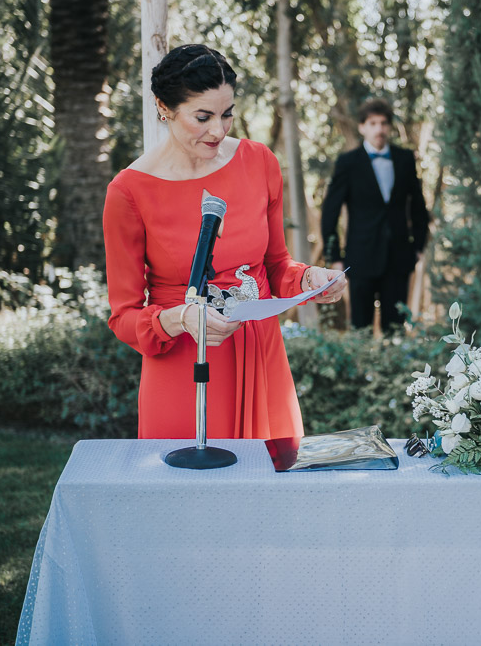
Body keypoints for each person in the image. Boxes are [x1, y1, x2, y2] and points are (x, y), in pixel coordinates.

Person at [103, 44, 346, 439]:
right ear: (164, 107)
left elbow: (276, 265)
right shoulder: (129, 191)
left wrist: (309, 279)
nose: (218, 130)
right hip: (185, 366)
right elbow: (123, 316)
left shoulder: (260, 162)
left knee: (271, 490)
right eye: (203, 117)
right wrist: (180, 318)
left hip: (262, 359)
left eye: (227, 114)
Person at [321, 98, 429, 330]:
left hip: (399, 256)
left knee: (396, 326)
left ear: (389, 126)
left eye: (383, 123)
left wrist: (418, 246)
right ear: (362, 127)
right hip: (360, 256)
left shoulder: (405, 159)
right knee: (361, 326)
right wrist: (335, 257)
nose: (379, 129)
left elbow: (418, 206)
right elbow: (331, 210)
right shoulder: (348, 162)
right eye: (372, 123)